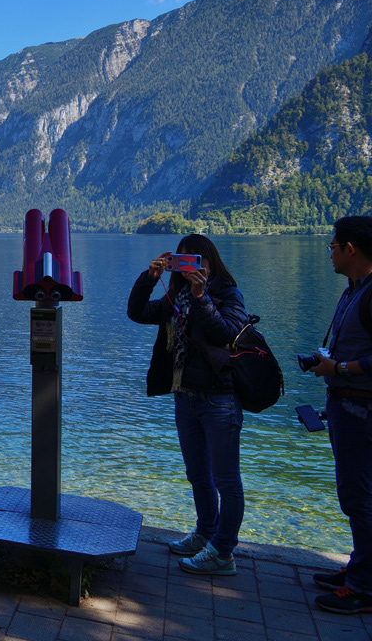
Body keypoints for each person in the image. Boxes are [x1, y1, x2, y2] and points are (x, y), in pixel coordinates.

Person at [126, 234, 248, 575]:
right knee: (197, 474)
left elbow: (227, 334)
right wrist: (148, 278)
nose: (190, 266)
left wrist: (201, 296)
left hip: (220, 399)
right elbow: (136, 312)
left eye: (197, 260)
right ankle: (206, 534)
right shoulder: (174, 295)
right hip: (186, 396)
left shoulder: (227, 292)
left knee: (226, 480)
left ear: (210, 262)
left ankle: (223, 552)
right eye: (183, 260)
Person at [303, 216, 372, 615]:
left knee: (360, 497)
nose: (328, 252)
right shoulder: (353, 290)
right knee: (355, 495)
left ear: (351, 249)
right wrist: (326, 361)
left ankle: (364, 588)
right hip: (346, 407)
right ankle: (359, 569)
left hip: (361, 410)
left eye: (332, 246)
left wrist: (342, 370)